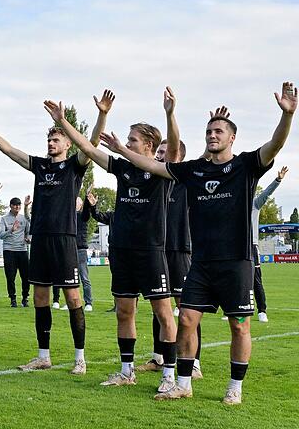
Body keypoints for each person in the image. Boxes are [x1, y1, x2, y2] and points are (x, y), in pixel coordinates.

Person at [100, 81, 296, 404]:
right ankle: (184, 382)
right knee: (187, 319)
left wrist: (287, 116)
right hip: (201, 263)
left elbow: (274, 146)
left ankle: (235, 387)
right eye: (209, 131)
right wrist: (122, 150)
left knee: (239, 326)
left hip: (236, 261)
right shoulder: (194, 171)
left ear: (232, 137)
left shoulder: (245, 166)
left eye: (219, 131)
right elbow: (156, 165)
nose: (213, 135)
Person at [45, 88, 178, 390]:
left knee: (163, 313)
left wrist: (170, 113)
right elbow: (89, 150)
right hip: (122, 252)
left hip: (151, 251)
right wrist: (63, 122)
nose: (126, 142)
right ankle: (126, 371)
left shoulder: (160, 170)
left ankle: (169, 376)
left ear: (147, 144)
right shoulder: (123, 168)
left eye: (132, 139)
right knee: (125, 312)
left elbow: (171, 153)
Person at [0, 91, 115, 375]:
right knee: (41, 299)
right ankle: (43, 356)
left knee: (73, 299)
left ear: (68, 143)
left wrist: (102, 114)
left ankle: (80, 358)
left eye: (56, 139)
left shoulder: (74, 166)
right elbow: (9, 150)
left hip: (65, 241)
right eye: (49, 139)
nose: (51, 143)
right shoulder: (40, 166)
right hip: (40, 240)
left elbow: (91, 143)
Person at [137, 139, 203, 379]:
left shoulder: (187, 181)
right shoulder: (153, 181)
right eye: (158, 152)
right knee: (159, 305)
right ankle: (159, 357)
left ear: (177, 156)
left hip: (179, 250)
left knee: (187, 308)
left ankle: (194, 362)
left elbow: (206, 158)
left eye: (163, 152)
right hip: (157, 250)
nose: (159, 156)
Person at [251, 166, 287, 322]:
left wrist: (278, 180)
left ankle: (262, 310)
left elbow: (267, 193)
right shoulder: (232, 204)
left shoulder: (255, 203)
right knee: (234, 279)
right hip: (235, 246)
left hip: (251, 246)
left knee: (256, 280)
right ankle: (232, 311)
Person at [0, 197, 30, 307]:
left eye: (19, 205)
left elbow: (28, 232)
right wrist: (11, 230)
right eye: (15, 205)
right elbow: (1, 235)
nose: (17, 207)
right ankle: (13, 299)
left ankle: (25, 298)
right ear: (10, 206)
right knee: (10, 277)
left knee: (26, 277)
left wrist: (28, 239)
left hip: (22, 250)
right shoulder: (3, 219)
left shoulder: (24, 218)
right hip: (9, 250)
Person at [75, 198, 93, 312]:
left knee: (84, 278)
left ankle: (88, 302)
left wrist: (87, 201)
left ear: (81, 205)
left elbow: (87, 212)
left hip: (80, 250)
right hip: (70, 250)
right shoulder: (67, 217)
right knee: (72, 279)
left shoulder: (82, 216)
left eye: (77, 202)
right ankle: (73, 301)